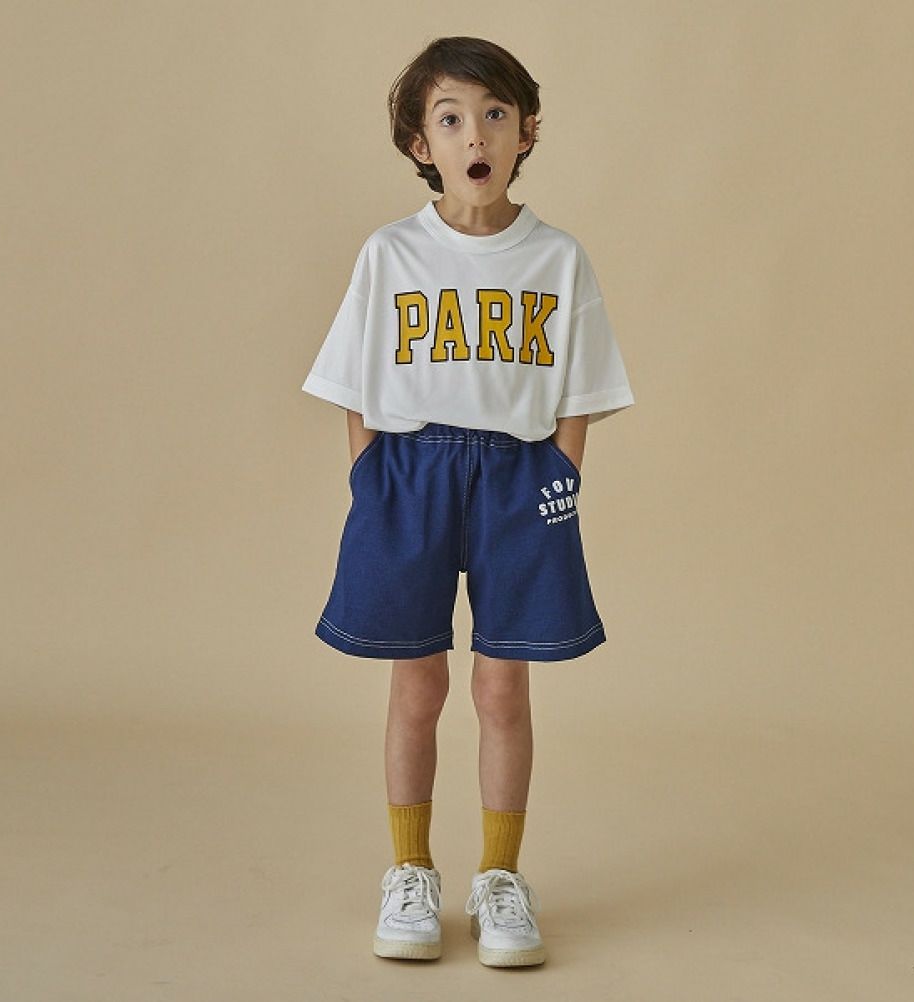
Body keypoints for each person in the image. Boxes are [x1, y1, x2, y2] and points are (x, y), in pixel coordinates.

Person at [300, 36, 634, 968]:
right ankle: (410, 870)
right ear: (421, 143)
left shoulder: (557, 258)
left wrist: (560, 474)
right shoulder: (391, 252)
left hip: (519, 477)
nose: (474, 135)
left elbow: (581, 387)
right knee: (418, 681)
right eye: (449, 119)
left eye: (494, 114)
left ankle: (500, 878)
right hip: (409, 473)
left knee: (501, 683)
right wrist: (369, 475)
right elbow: (354, 378)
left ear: (527, 132)